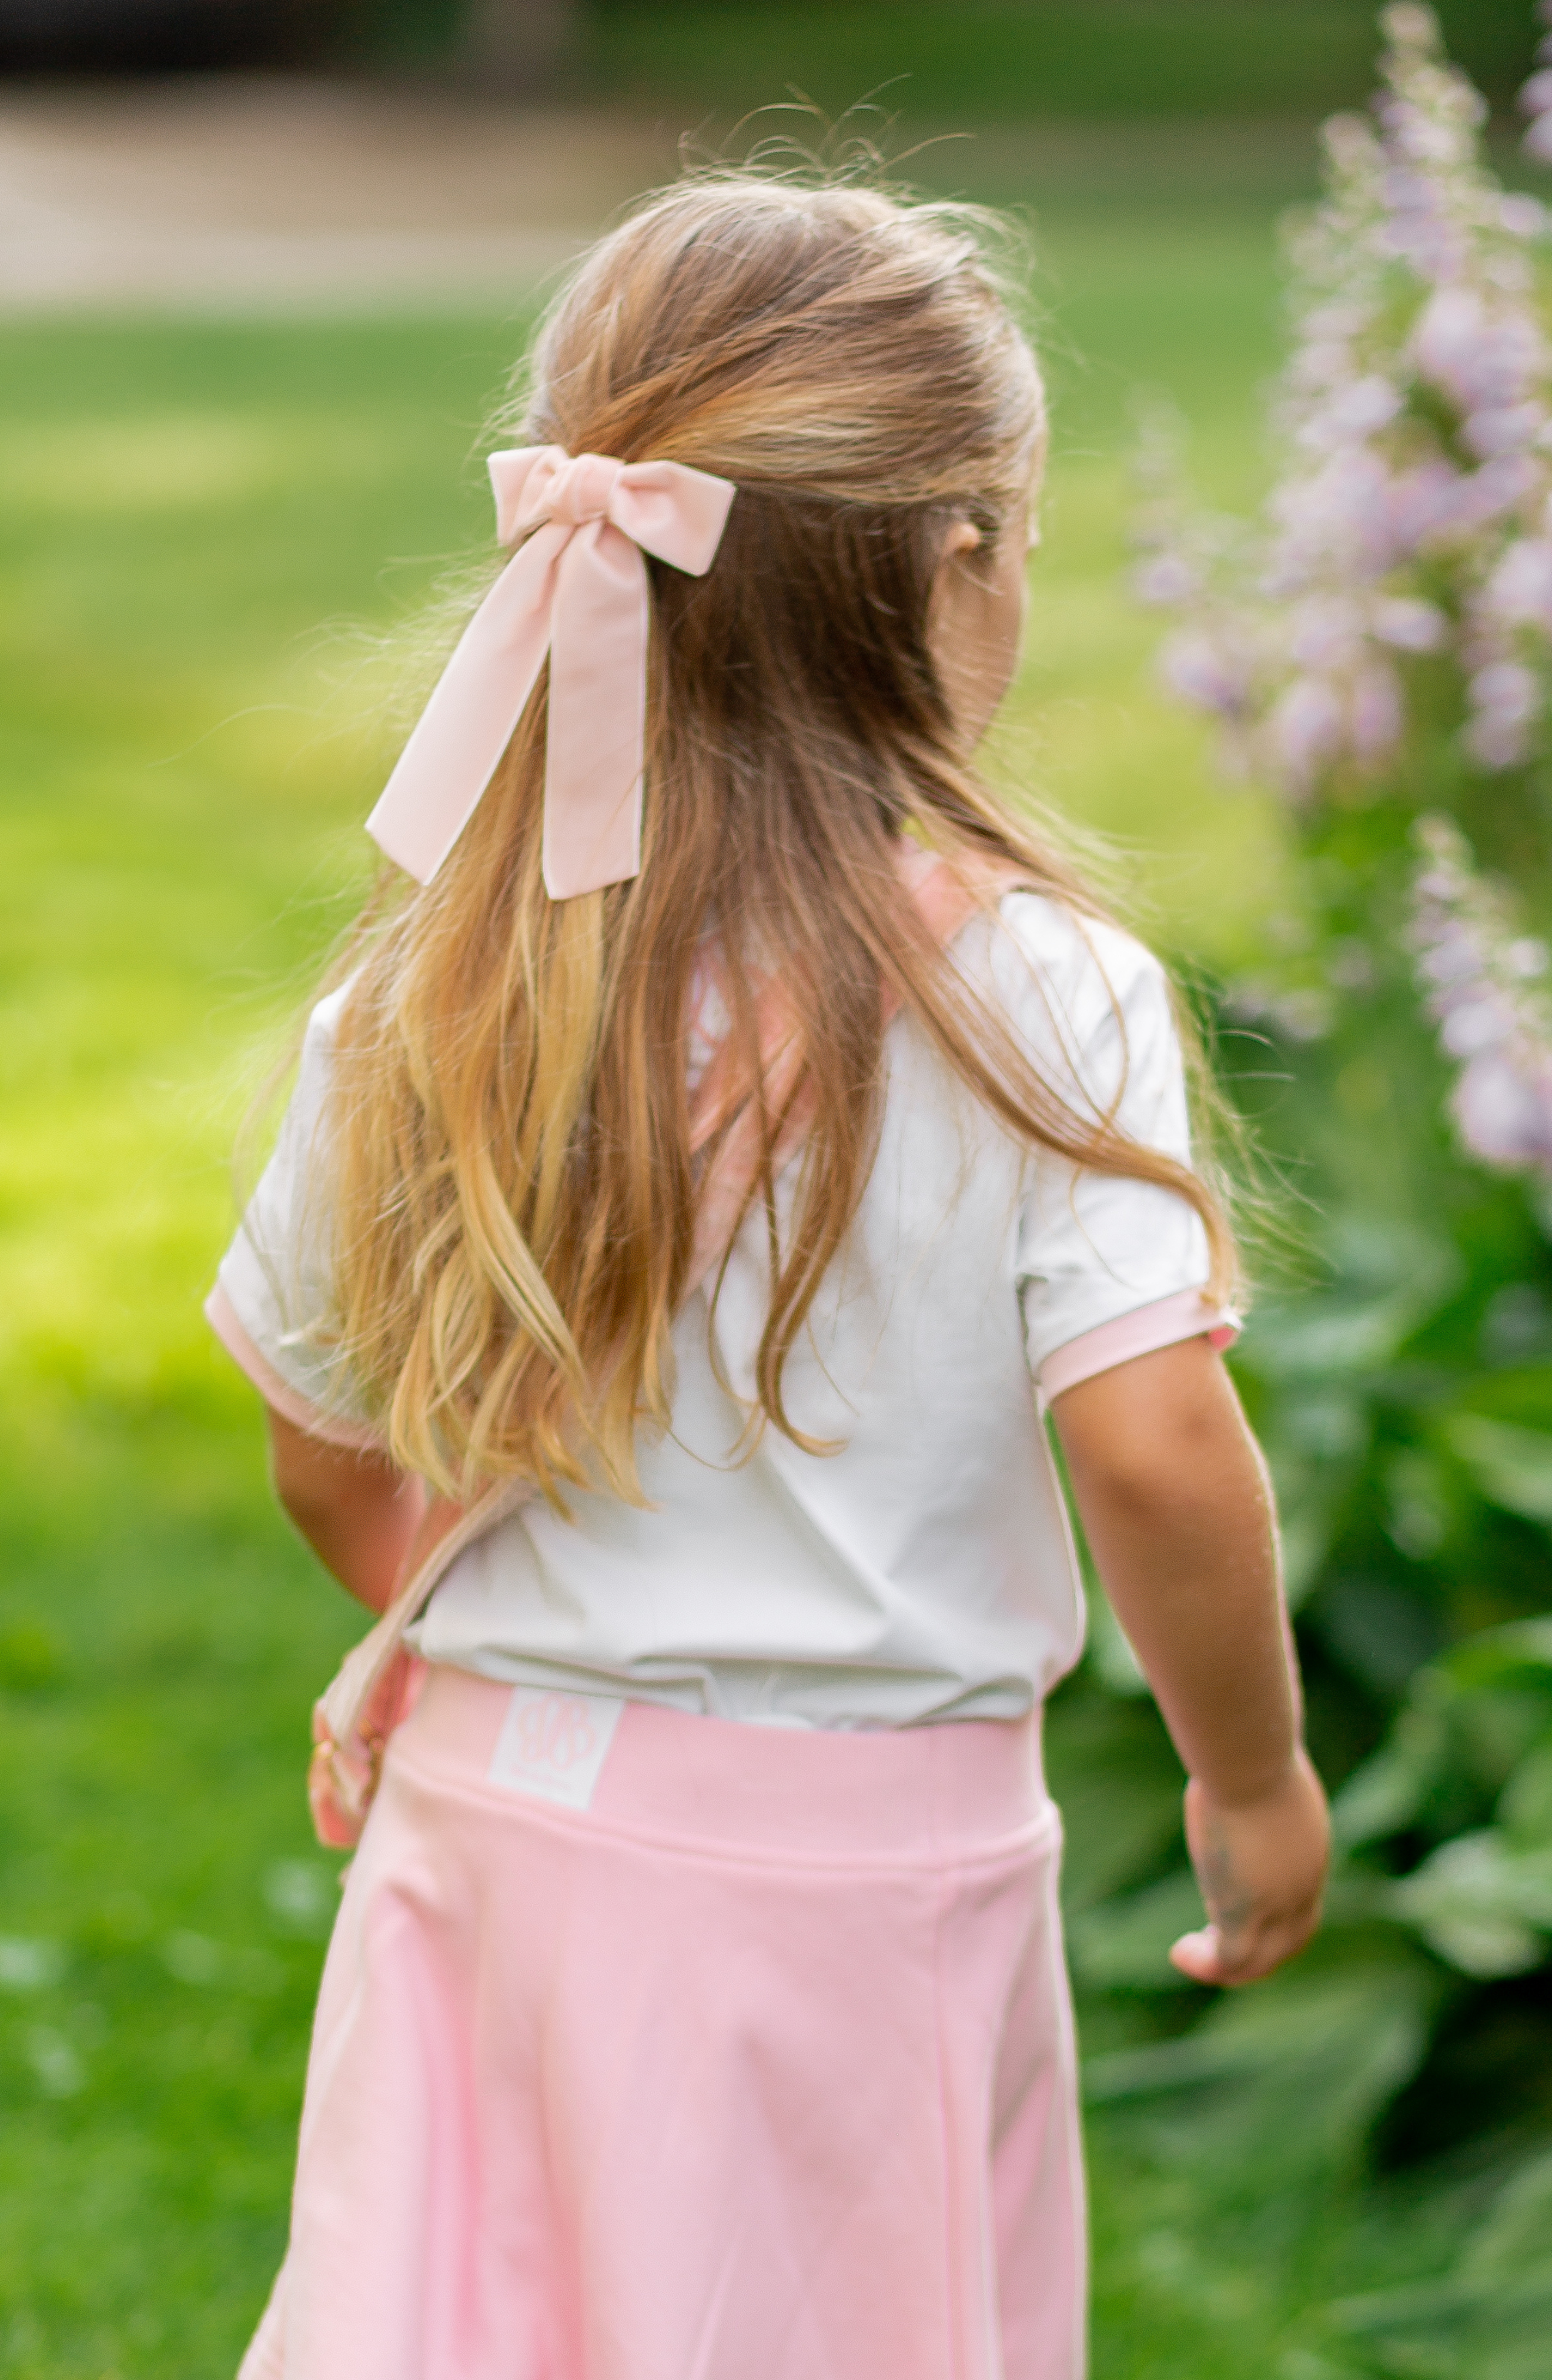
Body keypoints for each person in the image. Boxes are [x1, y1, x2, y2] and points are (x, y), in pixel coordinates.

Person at [207, 173, 1330, 2380]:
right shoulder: (1041, 999)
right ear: (960, 562)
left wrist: (533, 1656)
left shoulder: (435, 997)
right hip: (870, 1902)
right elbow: (1161, 1446)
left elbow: (327, 1457)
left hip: (499, 1847)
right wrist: (1255, 1781)